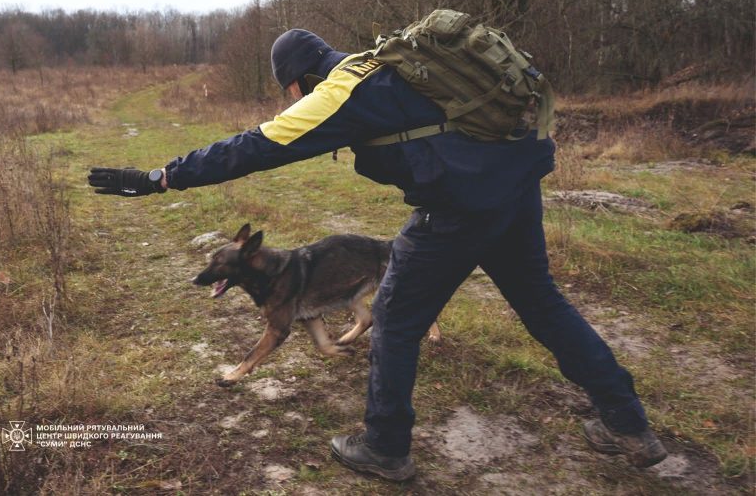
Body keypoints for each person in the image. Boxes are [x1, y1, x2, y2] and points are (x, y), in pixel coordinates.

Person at [88, 28, 667, 481]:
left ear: (299, 80)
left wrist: (163, 177)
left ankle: (384, 447)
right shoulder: (388, 64)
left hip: (459, 207)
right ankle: (627, 424)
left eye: (289, 91)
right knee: (541, 301)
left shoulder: (340, 91)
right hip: (515, 185)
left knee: (393, 316)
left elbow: (257, 145)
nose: (292, 99)